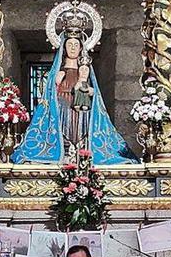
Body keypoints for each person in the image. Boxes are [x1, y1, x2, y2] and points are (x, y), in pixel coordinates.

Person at [11, 11, 138, 165]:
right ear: (63, 48)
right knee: (64, 131)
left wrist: (88, 90)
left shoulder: (85, 71)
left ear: (81, 48)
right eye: (69, 44)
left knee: (80, 131)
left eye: (76, 45)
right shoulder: (59, 71)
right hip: (63, 107)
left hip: (82, 109)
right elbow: (50, 92)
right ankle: (64, 153)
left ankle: (82, 153)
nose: (72, 48)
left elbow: (94, 93)